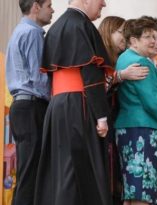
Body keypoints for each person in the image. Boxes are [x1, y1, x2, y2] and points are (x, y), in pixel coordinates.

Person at [34, 0, 112, 204]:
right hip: (81, 104)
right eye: (100, 0)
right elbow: (91, 74)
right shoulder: (83, 25)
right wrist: (101, 116)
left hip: (58, 106)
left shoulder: (55, 27)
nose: (103, 3)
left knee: (62, 169)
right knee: (81, 169)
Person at [115, 17, 157, 205]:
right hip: (142, 129)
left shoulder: (123, 58)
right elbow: (153, 102)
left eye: (156, 37)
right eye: (148, 37)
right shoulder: (141, 62)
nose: (154, 41)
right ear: (134, 40)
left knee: (132, 189)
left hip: (128, 127)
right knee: (143, 188)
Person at [98, 15, 150, 205]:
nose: (125, 37)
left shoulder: (121, 58)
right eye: (121, 32)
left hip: (116, 123)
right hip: (101, 125)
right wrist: (120, 76)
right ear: (108, 32)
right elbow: (96, 87)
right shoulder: (99, 56)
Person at [5, 0, 53, 204]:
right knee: (31, 172)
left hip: (22, 106)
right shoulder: (32, 33)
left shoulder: (20, 30)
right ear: (36, 6)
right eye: (49, 5)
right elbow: (38, 76)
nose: (52, 10)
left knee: (27, 169)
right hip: (32, 105)